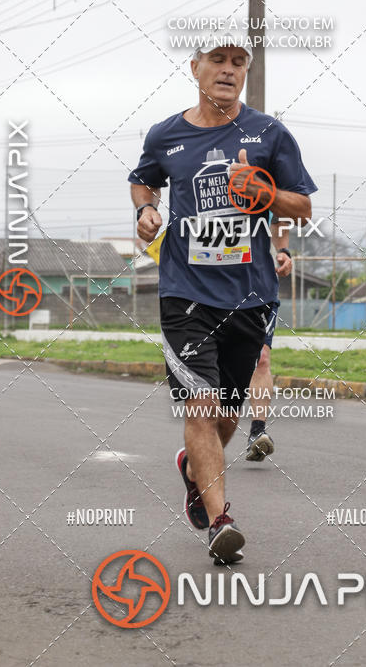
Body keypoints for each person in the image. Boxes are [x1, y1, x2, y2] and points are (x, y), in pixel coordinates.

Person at [128, 35, 316, 565]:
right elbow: (144, 182)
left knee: (228, 414)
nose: (229, 70)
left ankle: (193, 469)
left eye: (239, 63)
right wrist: (145, 212)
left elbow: (301, 205)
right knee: (201, 403)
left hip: (250, 294)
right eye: (218, 61)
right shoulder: (165, 134)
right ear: (196, 68)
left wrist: (266, 195)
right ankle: (220, 522)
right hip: (185, 292)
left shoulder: (268, 133)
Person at [246, 217, 291, 462]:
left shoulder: (265, 183)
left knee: (262, 359)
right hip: (213, 289)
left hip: (260, 289)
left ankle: (257, 432)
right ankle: (205, 432)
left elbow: (281, 219)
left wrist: (283, 250)